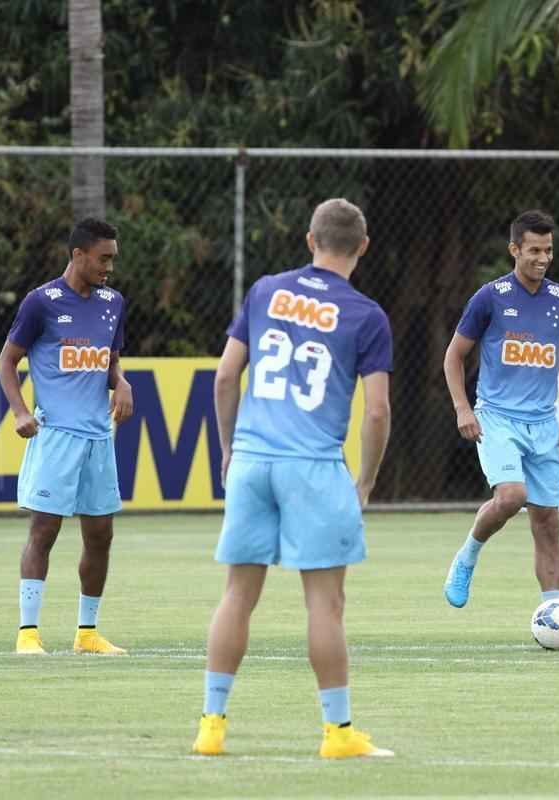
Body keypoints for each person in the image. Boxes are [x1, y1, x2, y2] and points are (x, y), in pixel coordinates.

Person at [191, 198, 394, 759]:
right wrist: (367, 482)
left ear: (309, 240)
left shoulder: (264, 291)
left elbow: (227, 375)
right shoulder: (367, 315)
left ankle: (212, 724)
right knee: (325, 605)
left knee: (237, 594)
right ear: (363, 247)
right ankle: (338, 733)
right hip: (314, 466)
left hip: (255, 461)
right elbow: (376, 412)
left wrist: (231, 449)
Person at [442, 209, 559, 650]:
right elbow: (453, 357)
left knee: (547, 522)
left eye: (548, 250)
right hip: (497, 418)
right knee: (511, 496)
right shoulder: (489, 298)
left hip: (543, 422)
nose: (542, 258)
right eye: (534, 251)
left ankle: (557, 617)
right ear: (514, 250)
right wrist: (462, 409)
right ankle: (467, 555)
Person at [0, 218, 133, 657]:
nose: (109, 266)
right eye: (103, 258)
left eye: (112, 258)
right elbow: (7, 362)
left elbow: (109, 360)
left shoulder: (113, 303)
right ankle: (28, 633)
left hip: (98, 437)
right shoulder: (42, 302)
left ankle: (87, 633)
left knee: (101, 535)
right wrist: (19, 411)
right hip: (55, 434)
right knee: (44, 530)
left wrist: (121, 381)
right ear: (78, 255)